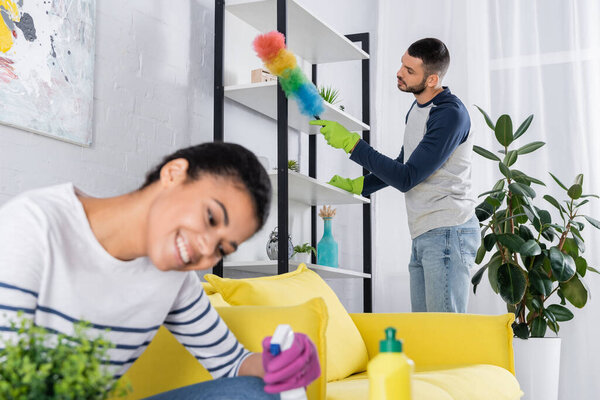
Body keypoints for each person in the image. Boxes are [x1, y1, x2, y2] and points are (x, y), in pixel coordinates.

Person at [0, 142, 320, 399]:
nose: (207, 251)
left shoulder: (174, 279)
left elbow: (232, 364)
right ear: (173, 173)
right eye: (210, 218)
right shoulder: (32, 228)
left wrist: (284, 363)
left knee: (257, 394)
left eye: (222, 248)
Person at [310, 38, 480, 313]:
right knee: (423, 331)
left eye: (410, 70)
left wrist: (352, 144)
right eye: (402, 64)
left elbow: (407, 177)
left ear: (432, 79)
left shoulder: (450, 115)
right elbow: (404, 163)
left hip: (449, 230)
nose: (400, 72)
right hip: (425, 231)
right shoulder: (417, 109)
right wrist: (361, 184)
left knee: (444, 334)